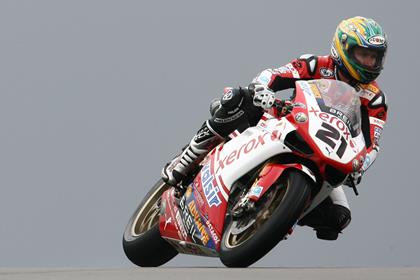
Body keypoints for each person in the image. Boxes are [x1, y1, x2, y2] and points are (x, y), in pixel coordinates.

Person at [161, 16, 388, 240]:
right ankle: (185, 160)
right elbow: (274, 74)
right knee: (238, 98)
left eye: (374, 57)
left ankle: (276, 213)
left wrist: (361, 164)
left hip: (324, 153)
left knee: (339, 217)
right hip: (285, 122)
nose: (370, 63)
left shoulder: (375, 99)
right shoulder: (316, 64)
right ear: (343, 49)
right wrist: (261, 89)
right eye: (364, 54)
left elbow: (372, 144)